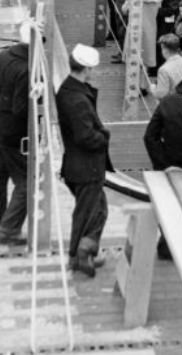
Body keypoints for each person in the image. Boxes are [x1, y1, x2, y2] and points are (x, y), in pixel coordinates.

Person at [54, 44, 110, 277]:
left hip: (78, 165)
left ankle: (83, 251)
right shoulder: (77, 99)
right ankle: (80, 255)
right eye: (91, 69)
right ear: (85, 69)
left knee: (96, 209)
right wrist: (104, 136)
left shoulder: (68, 90)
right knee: (89, 212)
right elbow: (86, 136)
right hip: (86, 167)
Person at [0, 25, 30, 245]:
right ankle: (9, 229)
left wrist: (6, 95)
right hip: (14, 132)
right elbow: (22, 110)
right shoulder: (28, 69)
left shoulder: (3, 55)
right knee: (26, 181)